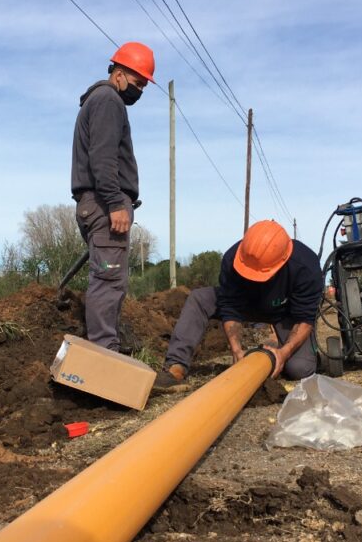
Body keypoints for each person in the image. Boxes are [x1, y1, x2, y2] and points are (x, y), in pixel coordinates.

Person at [154, 220, 324, 389]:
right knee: (199, 298)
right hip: (246, 304)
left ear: (282, 261)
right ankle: (176, 365)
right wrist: (236, 349)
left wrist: (283, 354)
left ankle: (284, 350)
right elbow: (229, 306)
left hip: (285, 312)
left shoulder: (306, 266)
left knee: (300, 368)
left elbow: (304, 319)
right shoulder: (233, 258)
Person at [71, 41, 155, 352]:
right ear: (119, 73)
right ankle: (104, 358)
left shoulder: (98, 101)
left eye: (144, 86)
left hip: (96, 205)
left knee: (110, 279)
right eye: (137, 82)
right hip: (105, 204)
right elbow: (103, 158)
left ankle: (106, 349)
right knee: (108, 282)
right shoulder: (108, 100)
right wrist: (116, 203)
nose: (140, 90)